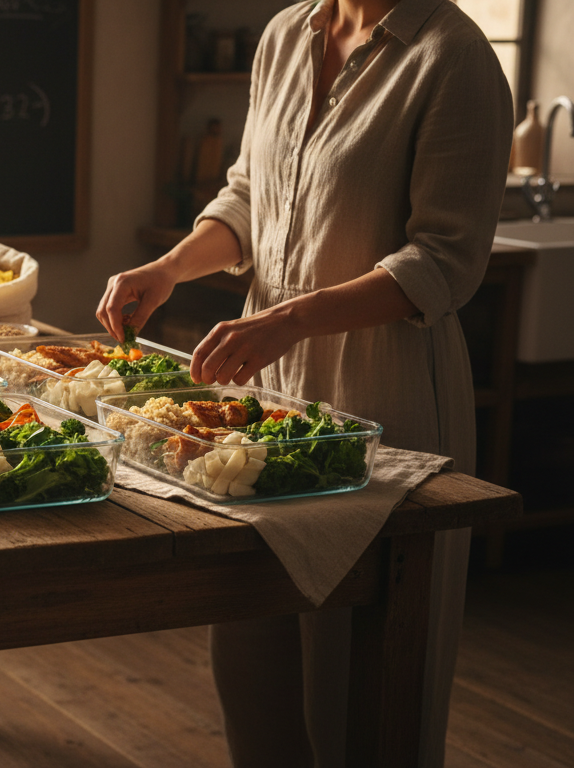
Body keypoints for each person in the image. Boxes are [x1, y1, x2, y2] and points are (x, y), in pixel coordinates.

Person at [96, 0, 513, 766]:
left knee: (365, 689)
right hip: (265, 397)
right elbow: (249, 196)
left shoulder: (452, 58)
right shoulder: (289, 34)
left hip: (384, 393)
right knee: (254, 666)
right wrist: (168, 269)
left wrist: (289, 318)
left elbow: (446, 261)